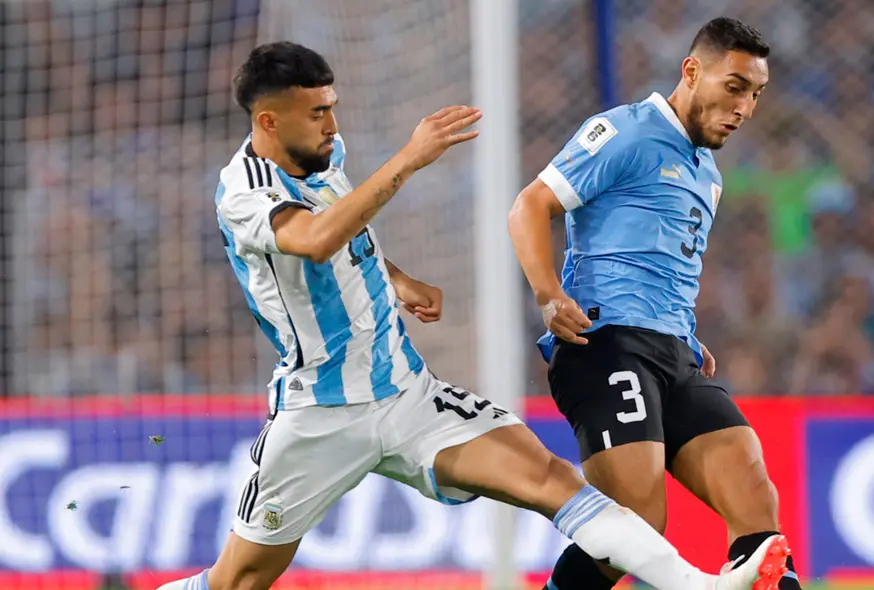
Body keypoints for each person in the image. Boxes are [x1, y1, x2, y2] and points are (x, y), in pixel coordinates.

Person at [157, 42, 788, 590]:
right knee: (238, 580)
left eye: (334, 106)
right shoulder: (243, 192)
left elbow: (342, 232)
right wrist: (409, 157)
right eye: (318, 112)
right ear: (269, 121)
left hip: (407, 394)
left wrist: (394, 278)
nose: (332, 123)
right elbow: (317, 238)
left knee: (552, 480)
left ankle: (706, 583)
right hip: (320, 412)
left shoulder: (323, 153)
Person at [508, 17, 804, 590]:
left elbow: (662, 264)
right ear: (692, 72)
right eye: (735, 86)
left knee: (755, 501)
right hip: (606, 343)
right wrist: (549, 294)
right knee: (637, 525)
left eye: (756, 94)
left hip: (674, 354)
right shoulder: (627, 132)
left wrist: (685, 332)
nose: (745, 107)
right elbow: (529, 205)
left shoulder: (708, 173)